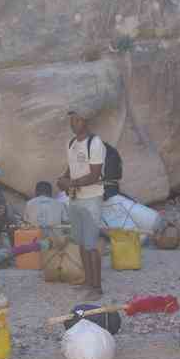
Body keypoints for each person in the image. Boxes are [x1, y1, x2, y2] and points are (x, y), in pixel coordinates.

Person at [57, 111, 105, 298]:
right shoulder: (72, 143)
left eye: (77, 120)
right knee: (82, 242)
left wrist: (72, 183)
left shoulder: (95, 143)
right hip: (75, 198)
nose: (73, 123)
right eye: (71, 119)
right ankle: (88, 281)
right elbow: (71, 168)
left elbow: (94, 175)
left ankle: (97, 288)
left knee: (91, 244)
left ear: (86, 121)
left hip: (91, 198)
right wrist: (63, 178)